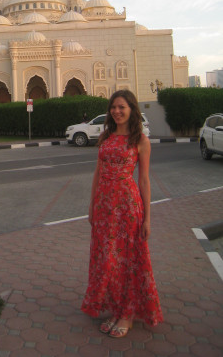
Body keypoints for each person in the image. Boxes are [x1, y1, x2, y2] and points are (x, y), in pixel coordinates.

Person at [81, 89, 163, 338]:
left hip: (127, 208)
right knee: (107, 260)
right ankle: (116, 309)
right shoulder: (105, 137)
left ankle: (127, 314)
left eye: (121, 107)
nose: (116, 111)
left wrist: (147, 218)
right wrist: (92, 205)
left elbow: (144, 180)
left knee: (127, 261)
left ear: (131, 110)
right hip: (104, 207)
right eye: (113, 107)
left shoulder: (140, 140)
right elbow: (98, 172)